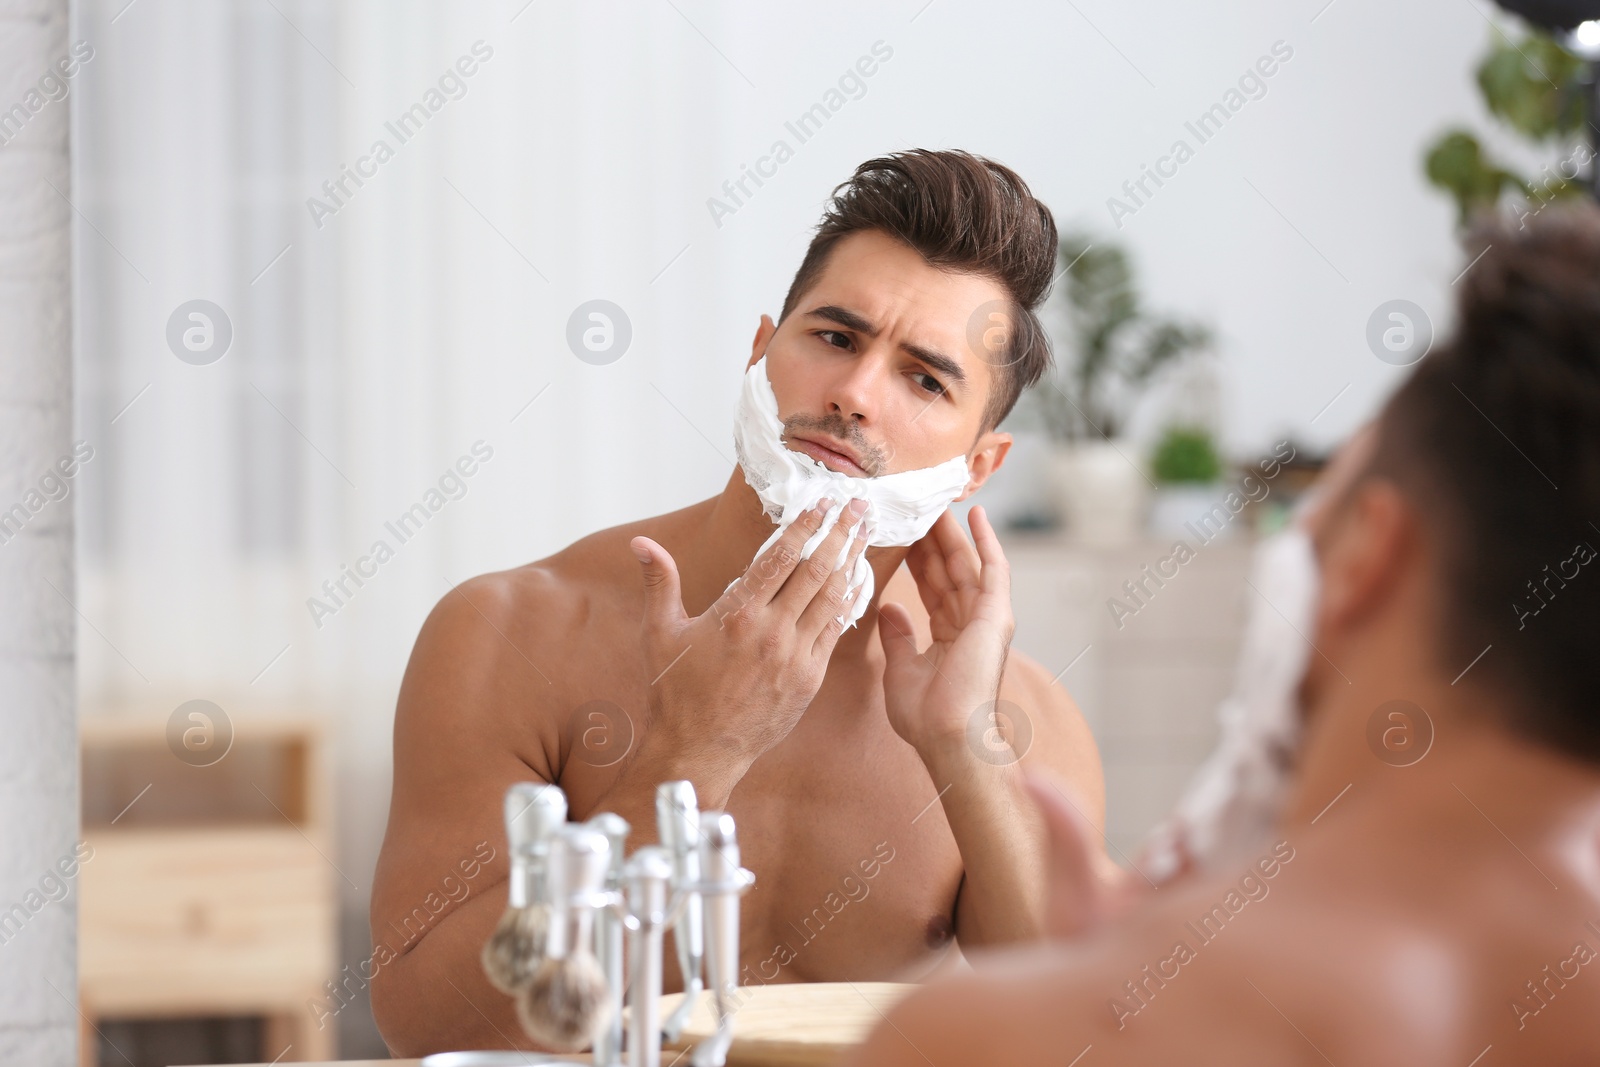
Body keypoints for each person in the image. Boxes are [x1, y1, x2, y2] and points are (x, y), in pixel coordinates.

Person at [369, 149, 1108, 1055]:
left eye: (925, 379)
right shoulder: (512, 633)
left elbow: (1078, 1034)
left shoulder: (1018, 717)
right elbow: (425, 1023)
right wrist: (690, 760)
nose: (855, 394)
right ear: (762, 350)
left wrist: (962, 746)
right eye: (835, 338)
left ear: (979, 466)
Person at [845, 202, 1600, 1066]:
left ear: (1364, 558)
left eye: (1310, 534)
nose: (859, 396)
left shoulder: (977, 1041)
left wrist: (1093, 993)